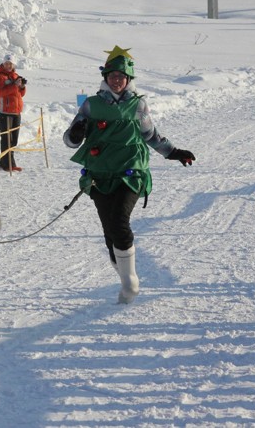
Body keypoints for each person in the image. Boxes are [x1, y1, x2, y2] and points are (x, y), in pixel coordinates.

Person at [63, 46, 196, 304]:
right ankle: (125, 282)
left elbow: (151, 136)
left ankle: (130, 281)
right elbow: (70, 141)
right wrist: (76, 133)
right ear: (106, 77)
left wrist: (173, 152)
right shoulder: (92, 105)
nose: (117, 80)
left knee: (119, 221)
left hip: (131, 172)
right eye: (112, 75)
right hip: (100, 175)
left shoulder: (138, 105)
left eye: (121, 76)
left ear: (128, 79)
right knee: (109, 232)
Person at [0, 54, 26, 171]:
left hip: (16, 112)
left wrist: (22, 87)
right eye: (6, 63)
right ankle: (8, 165)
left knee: (14, 139)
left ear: (13, 65)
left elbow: (20, 94)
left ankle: (6, 163)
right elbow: (0, 92)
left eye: (10, 64)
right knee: (7, 139)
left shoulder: (15, 76)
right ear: (3, 64)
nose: (8, 66)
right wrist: (14, 85)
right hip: (4, 112)